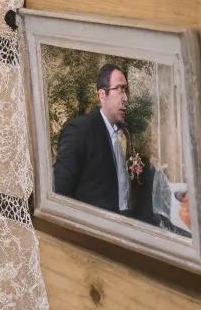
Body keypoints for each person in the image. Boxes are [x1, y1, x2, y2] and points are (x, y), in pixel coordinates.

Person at [52, 63, 139, 215]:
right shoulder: (79, 131)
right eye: (119, 89)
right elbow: (60, 193)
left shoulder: (124, 132)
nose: (125, 98)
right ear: (102, 95)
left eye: (125, 90)